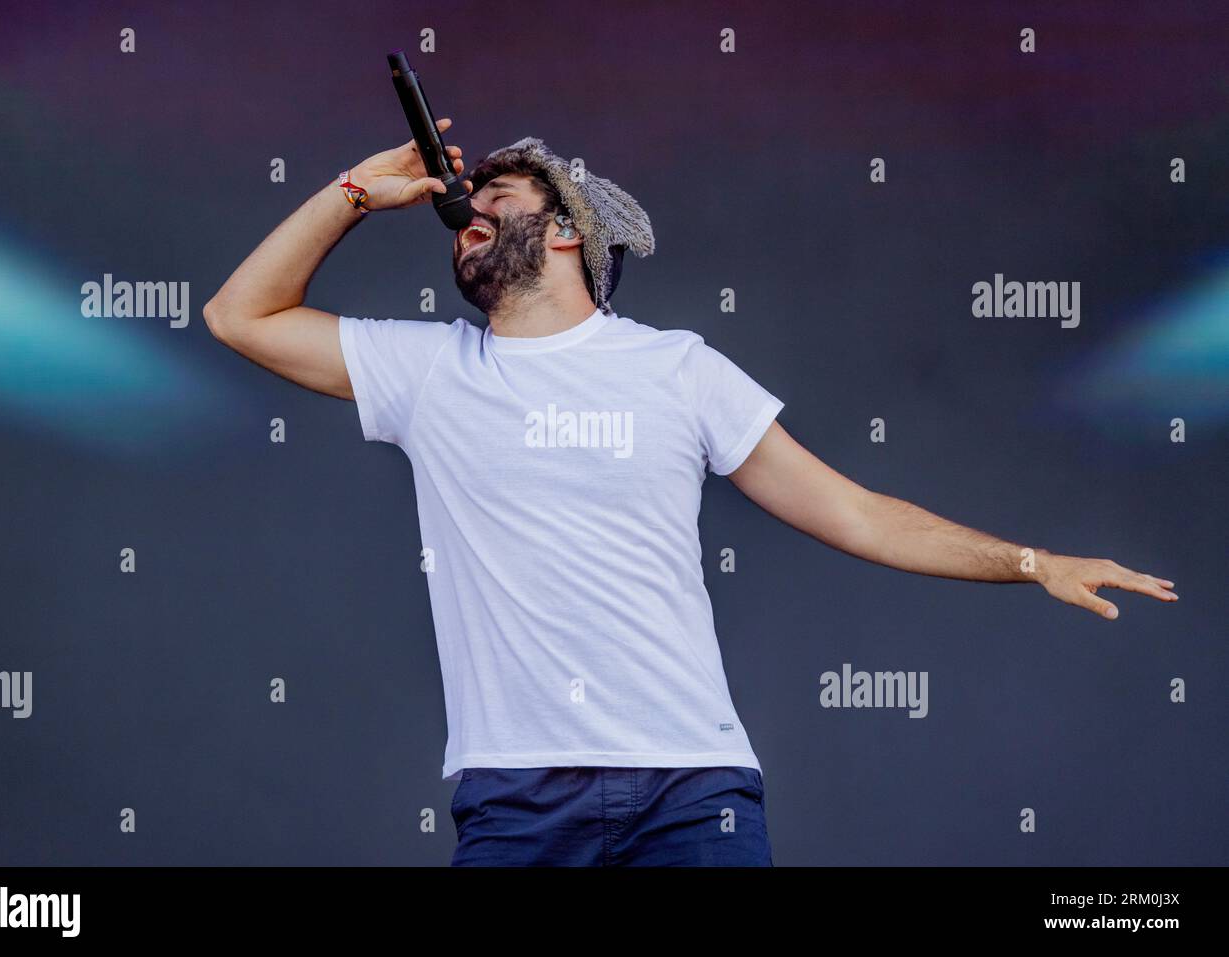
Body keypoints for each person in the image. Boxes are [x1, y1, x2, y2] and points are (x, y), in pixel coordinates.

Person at [203, 118, 1178, 866]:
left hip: (692, 792)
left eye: (492, 197)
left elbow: (852, 511)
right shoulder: (429, 370)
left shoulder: (678, 369)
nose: (461, 218)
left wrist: (1031, 561)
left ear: (564, 234)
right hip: (513, 798)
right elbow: (239, 315)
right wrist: (356, 197)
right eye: (458, 212)